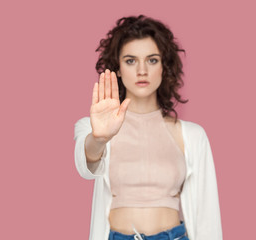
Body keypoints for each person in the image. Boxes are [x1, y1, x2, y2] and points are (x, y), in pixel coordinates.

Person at [74, 15, 223, 240]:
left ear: (164, 66)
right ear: (118, 68)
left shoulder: (191, 135)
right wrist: (100, 139)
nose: (142, 70)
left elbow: (207, 218)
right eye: (130, 60)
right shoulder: (94, 128)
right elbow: (87, 166)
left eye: (152, 60)